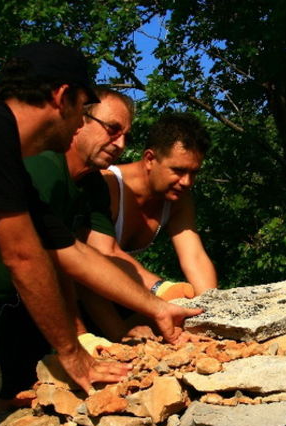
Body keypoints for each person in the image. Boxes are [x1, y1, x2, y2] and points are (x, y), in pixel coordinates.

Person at [0, 44, 198, 425]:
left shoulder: (7, 162)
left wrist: (158, 307)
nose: (82, 123)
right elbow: (24, 256)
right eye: (84, 108)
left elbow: (72, 252)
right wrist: (73, 353)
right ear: (63, 97)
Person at [83, 112, 218, 337]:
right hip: (77, 298)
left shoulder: (178, 199)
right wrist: (161, 289)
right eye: (178, 170)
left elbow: (194, 257)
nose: (186, 182)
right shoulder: (107, 185)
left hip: (117, 295)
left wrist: (210, 309)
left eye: (194, 173)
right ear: (149, 159)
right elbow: (97, 258)